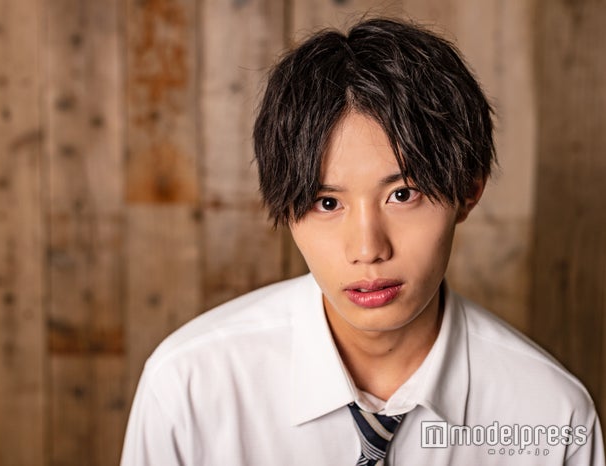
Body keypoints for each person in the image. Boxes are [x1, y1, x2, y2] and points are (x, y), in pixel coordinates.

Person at [120, 17, 605, 465]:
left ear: (468, 191)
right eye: (327, 203)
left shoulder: (551, 415)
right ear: (286, 208)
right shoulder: (189, 387)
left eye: (402, 194)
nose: (368, 249)